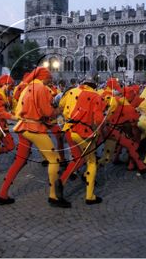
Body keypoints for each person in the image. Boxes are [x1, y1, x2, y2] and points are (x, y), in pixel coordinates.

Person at [0, 67, 71, 208]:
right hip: (34, 128)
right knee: (54, 160)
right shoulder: (41, 88)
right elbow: (47, 111)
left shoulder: (27, 87)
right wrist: (59, 110)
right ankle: (54, 196)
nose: (51, 80)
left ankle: (2, 193)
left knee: (20, 161)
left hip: (23, 127)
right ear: (44, 77)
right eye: (49, 78)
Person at [57, 75, 107, 204]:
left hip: (70, 129)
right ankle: (89, 196)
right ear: (94, 86)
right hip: (83, 132)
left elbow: (62, 106)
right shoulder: (96, 96)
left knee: (79, 159)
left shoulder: (74, 92)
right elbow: (98, 119)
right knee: (91, 161)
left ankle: (63, 180)